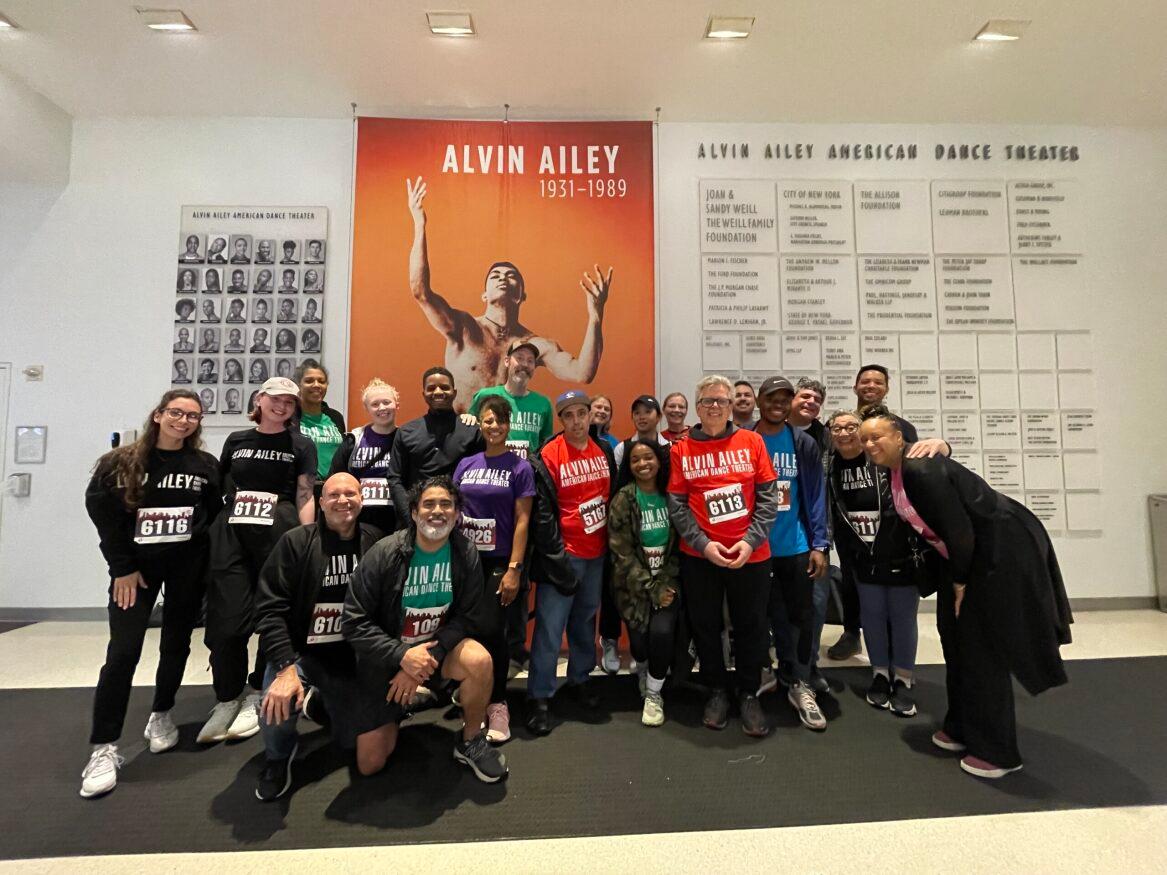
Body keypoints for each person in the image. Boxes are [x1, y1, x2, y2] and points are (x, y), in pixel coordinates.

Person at [860, 406, 1072, 779]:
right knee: (955, 641)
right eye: (865, 439)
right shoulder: (896, 472)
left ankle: (998, 752)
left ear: (899, 436)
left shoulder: (918, 468)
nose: (869, 442)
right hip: (963, 559)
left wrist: (960, 583)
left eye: (877, 435)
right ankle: (961, 726)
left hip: (996, 555)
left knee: (980, 650)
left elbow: (960, 531)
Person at [80, 390, 222, 798]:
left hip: (185, 569)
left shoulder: (203, 465)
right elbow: (102, 513)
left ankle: (162, 713)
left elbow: (211, 510)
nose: (184, 421)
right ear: (158, 415)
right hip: (135, 576)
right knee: (123, 652)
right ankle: (103, 746)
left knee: (176, 644)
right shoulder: (120, 463)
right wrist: (122, 568)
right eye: (176, 413)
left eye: (193, 416)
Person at [342, 477, 508, 782]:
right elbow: (353, 621)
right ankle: (397, 706)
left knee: (480, 660)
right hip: (387, 659)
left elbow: (468, 617)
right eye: (428, 504)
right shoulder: (384, 553)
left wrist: (419, 665)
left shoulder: (465, 552)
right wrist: (402, 657)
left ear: (457, 514)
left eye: (446, 504)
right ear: (415, 513)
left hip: (436, 654)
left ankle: (470, 741)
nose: (437, 511)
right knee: (370, 763)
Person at [406, 175, 614, 408]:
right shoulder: (464, 328)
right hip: (463, 436)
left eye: (511, 276)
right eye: (495, 277)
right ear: (484, 294)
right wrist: (419, 224)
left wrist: (596, 316)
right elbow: (420, 291)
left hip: (507, 439)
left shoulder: (534, 345)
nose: (503, 278)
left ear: (522, 295)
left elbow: (581, 373)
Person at [252, 473, 388, 800]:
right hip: (301, 656)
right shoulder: (296, 542)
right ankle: (277, 758)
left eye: (350, 494)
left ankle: (320, 704)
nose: (343, 501)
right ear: (322, 502)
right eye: (334, 495)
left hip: (349, 657)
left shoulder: (376, 540)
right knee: (277, 698)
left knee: (357, 748)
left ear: (362, 499)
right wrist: (284, 669)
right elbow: (269, 610)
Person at [200, 377, 317, 745]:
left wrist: (307, 540)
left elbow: (304, 494)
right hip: (233, 535)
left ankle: (258, 689)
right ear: (260, 400)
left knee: (274, 612)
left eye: (289, 402)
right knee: (228, 620)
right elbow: (219, 487)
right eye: (275, 399)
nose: (282, 406)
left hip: (278, 533)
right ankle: (227, 696)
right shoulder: (236, 440)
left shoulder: (301, 443)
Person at [668, 375, 779, 737]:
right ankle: (716, 689)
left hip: (752, 555)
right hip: (701, 558)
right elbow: (677, 505)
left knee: (751, 627)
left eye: (721, 401)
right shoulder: (681, 449)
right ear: (697, 408)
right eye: (707, 401)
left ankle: (748, 693)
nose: (714, 406)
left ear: (731, 406)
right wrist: (703, 545)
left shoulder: (752, 442)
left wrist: (749, 542)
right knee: (705, 626)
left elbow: (767, 498)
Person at [525, 390, 617, 735]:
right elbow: (543, 514)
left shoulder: (604, 450)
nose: (578, 421)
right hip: (563, 557)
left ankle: (580, 678)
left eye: (583, 413)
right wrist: (556, 558)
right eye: (570, 415)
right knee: (550, 628)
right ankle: (539, 696)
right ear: (561, 420)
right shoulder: (549, 454)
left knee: (584, 622)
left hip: (597, 554)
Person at [826, 410, 926, 717]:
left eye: (850, 427)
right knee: (871, 617)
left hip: (898, 554)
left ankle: (905, 679)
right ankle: (880, 674)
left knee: (902, 618)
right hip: (861, 557)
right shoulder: (828, 467)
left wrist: (943, 445)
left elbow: (924, 461)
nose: (844, 433)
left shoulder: (885, 461)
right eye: (837, 428)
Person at [453, 395, 536, 743]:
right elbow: (454, 510)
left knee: (493, 631)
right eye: (488, 420)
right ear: (481, 424)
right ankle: (473, 693)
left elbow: (522, 519)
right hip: (464, 560)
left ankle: (498, 704)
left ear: (508, 425)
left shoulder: (520, 467)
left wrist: (515, 568)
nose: (495, 426)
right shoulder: (466, 463)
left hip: (500, 561)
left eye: (501, 420)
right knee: (465, 629)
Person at [751, 377, 830, 732]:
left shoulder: (803, 444)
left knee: (798, 618)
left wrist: (819, 544)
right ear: (759, 401)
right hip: (754, 549)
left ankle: (799, 682)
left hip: (795, 547)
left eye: (785, 398)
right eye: (772, 398)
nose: (778, 404)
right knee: (754, 618)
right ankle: (763, 675)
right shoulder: (745, 441)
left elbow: (814, 495)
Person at [829, 364, 922, 661]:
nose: (871, 386)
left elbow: (914, 466)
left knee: (889, 588)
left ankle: (894, 652)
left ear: (887, 388)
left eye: (878, 382)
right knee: (850, 577)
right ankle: (851, 633)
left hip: (889, 523)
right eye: (865, 381)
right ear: (855, 387)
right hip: (848, 520)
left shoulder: (901, 427)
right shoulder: (839, 424)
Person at [608, 440, 680, 727]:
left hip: (668, 580)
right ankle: (646, 668)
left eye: (648, 457)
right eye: (636, 460)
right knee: (639, 643)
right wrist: (650, 588)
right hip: (632, 585)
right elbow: (621, 553)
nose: (642, 464)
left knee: (661, 633)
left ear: (659, 461)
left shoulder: (673, 496)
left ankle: (653, 693)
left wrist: (663, 585)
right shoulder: (624, 499)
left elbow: (679, 546)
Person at [601, 394, 671, 672]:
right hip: (628, 531)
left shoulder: (670, 447)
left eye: (648, 412)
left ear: (658, 416)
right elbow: (617, 487)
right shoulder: (621, 448)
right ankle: (612, 642)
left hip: (661, 542)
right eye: (637, 412)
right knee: (617, 592)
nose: (643, 417)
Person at [386, 367, 484, 524]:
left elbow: (480, 479)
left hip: (459, 521)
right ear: (423, 394)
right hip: (413, 522)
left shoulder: (471, 432)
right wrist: (411, 516)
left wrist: (459, 515)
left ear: (455, 392)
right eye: (431, 388)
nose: (438, 392)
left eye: (445, 387)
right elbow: (394, 478)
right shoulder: (406, 432)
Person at [329, 378, 400, 534]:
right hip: (358, 522)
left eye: (387, 402)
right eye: (375, 404)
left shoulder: (406, 440)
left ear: (397, 405)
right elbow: (335, 477)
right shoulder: (353, 440)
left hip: (395, 522)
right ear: (367, 408)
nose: (382, 408)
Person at [467, 340, 554, 461]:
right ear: (507, 361)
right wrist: (467, 417)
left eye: (530, 361)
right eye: (519, 358)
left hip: (527, 473)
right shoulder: (485, 396)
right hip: (492, 471)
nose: (525, 364)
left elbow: (546, 445)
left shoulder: (543, 404)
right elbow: (468, 429)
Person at [293, 359, 346, 488]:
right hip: (301, 489)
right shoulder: (290, 417)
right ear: (298, 384)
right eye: (309, 381)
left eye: (321, 381)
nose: (316, 385)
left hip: (333, 488)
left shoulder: (335, 417)